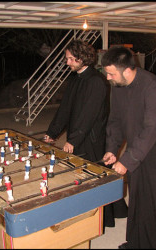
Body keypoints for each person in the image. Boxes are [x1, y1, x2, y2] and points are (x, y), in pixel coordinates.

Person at [101, 46, 156, 249]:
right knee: (138, 197)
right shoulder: (118, 86)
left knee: (155, 200)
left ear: (127, 70)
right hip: (137, 149)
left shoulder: (154, 88)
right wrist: (112, 148)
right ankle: (137, 242)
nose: (108, 78)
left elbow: (150, 129)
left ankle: (155, 245)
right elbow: (115, 119)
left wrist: (127, 161)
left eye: (111, 73)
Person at [44, 40, 128, 228]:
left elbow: (88, 115)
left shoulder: (97, 81)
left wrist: (73, 140)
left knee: (98, 176)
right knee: (83, 175)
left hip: (94, 138)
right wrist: (52, 132)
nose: (68, 63)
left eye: (71, 59)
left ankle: (105, 216)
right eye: (67, 59)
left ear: (82, 58)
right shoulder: (75, 79)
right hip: (79, 133)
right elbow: (65, 109)